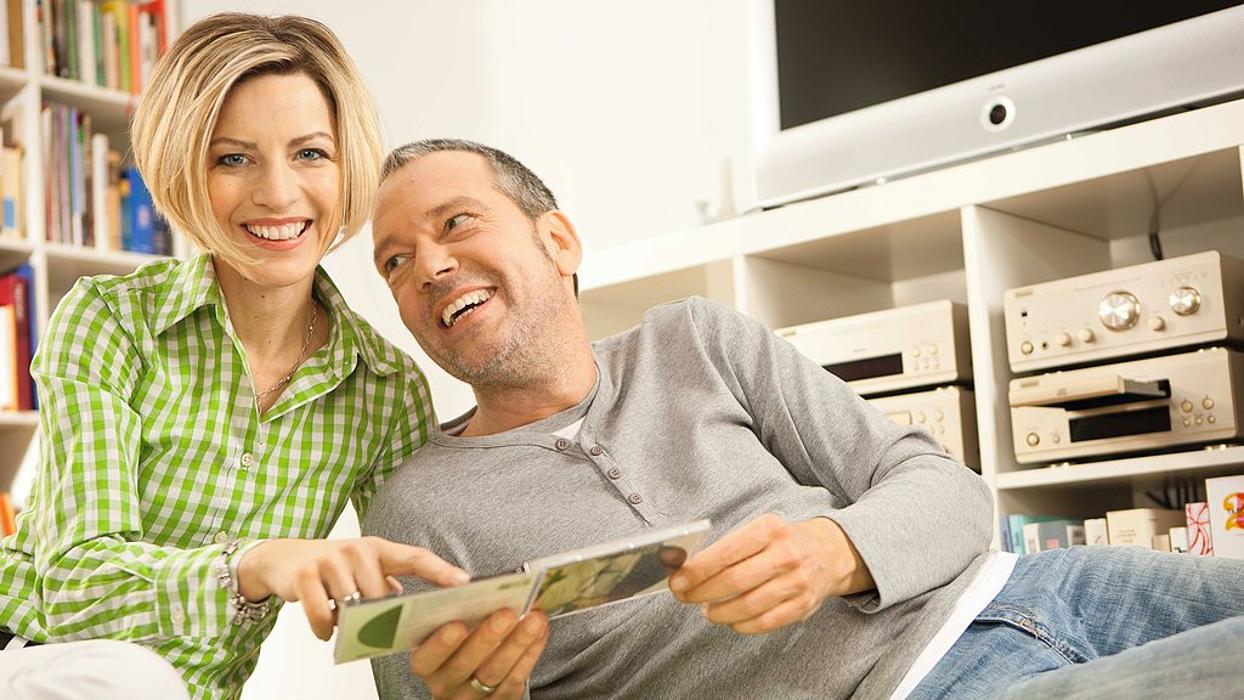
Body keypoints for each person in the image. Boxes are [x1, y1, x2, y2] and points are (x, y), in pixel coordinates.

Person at [363, 138, 1244, 699]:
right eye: (395, 262)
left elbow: (948, 489)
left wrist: (837, 550)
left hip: (1035, 588)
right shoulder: (417, 512)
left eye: (456, 223)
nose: (428, 267)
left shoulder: (694, 340)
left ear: (557, 241)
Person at [0, 16, 468, 700]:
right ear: (184, 171)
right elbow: (77, 591)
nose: (278, 192)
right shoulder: (111, 320)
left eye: (310, 153)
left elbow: (402, 614)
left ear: (348, 166)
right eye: (233, 159)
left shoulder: (387, 389)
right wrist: (255, 564)